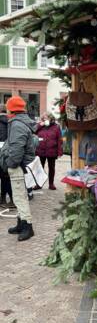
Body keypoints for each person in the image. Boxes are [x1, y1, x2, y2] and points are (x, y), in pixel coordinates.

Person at [0, 96, 36, 241]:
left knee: (20, 197)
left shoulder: (17, 124)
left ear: (11, 109)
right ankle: (21, 223)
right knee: (18, 195)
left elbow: (16, 149)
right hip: (20, 165)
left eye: (8, 107)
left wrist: (10, 163)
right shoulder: (20, 121)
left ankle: (28, 227)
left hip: (18, 167)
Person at [36, 113, 63, 190]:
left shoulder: (56, 127)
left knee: (51, 168)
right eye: (43, 118)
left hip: (52, 151)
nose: (45, 120)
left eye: (47, 118)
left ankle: (51, 184)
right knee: (40, 168)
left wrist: (59, 152)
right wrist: (41, 125)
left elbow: (59, 140)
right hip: (40, 150)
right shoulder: (40, 126)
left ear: (51, 119)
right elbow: (33, 131)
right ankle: (38, 184)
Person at [0, 103, 14, 208]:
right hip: (7, 152)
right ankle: (10, 199)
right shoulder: (11, 122)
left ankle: (3, 199)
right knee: (6, 177)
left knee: (3, 177)